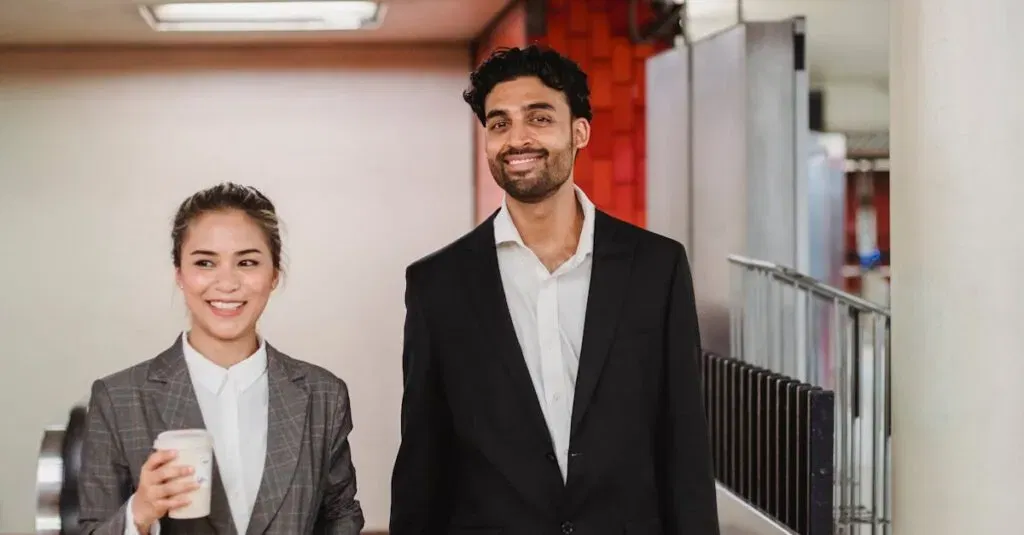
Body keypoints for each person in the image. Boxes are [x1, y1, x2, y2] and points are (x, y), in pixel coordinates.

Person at [389, 44, 721, 535]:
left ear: (579, 132)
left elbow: (684, 441)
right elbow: (423, 457)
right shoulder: (437, 284)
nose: (516, 138)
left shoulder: (656, 268)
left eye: (538, 118)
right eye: (499, 123)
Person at [77, 183, 364, 535]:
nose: (227, 283)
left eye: (246, 262)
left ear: (274, 274)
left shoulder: (323, 396)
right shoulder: (119, 399)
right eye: (205, 262)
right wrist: (140, 512)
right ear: (179, 274)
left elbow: (339, 515)